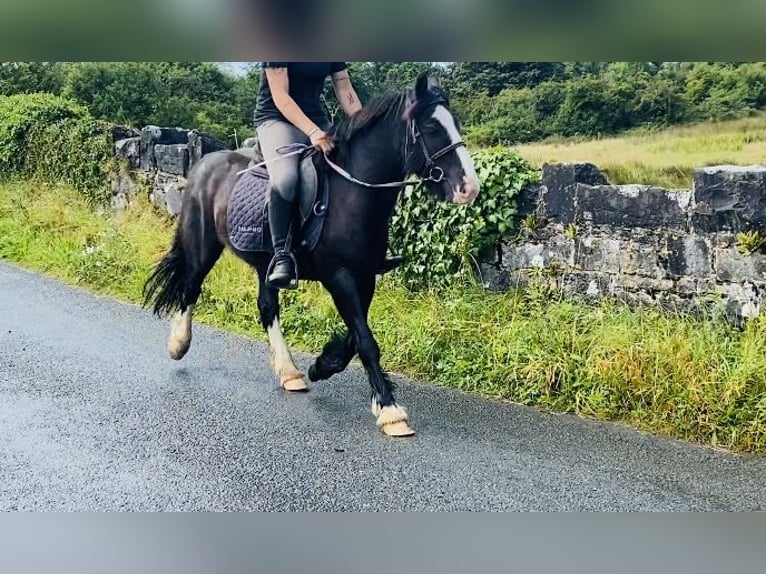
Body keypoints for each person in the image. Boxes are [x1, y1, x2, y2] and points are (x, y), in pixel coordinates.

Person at [253, 62, 402, 289]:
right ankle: (281, 255)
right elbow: (280, 96)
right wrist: (312, 132)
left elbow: (344, 87)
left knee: (359, 165)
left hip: (317, 120)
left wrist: (363, 126)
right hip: (276, 119)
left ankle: (372, 248)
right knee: (286, 179)